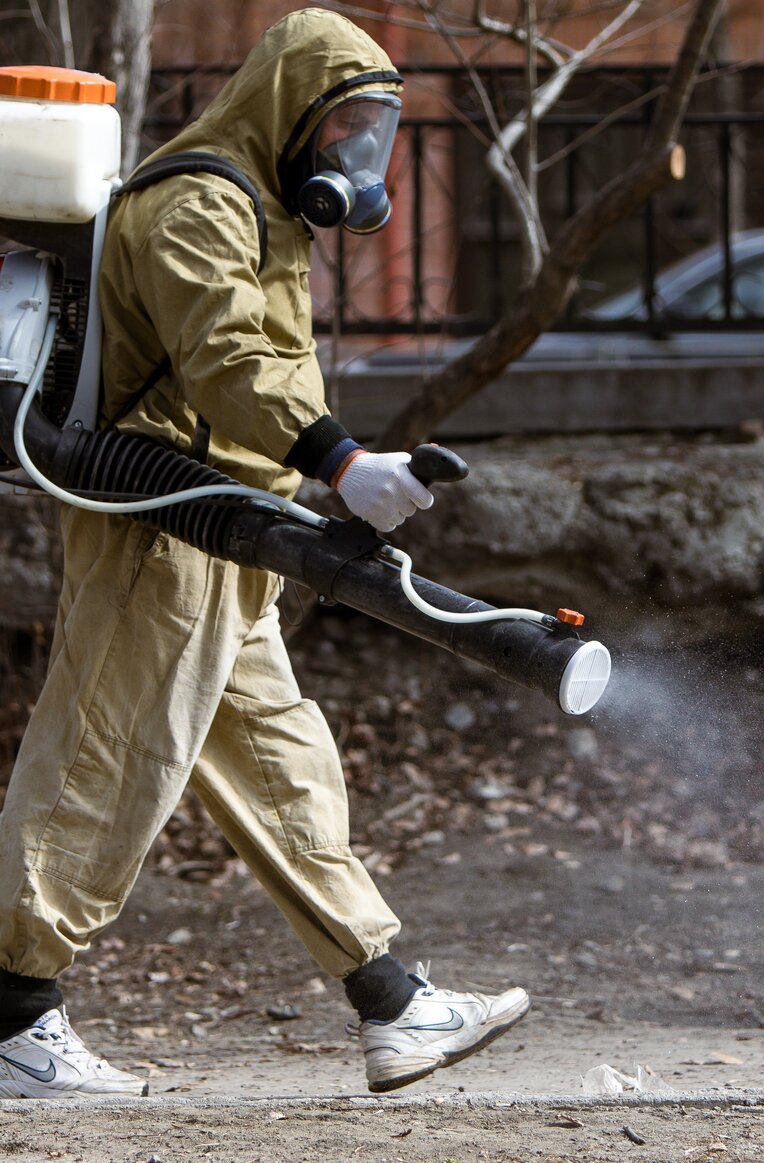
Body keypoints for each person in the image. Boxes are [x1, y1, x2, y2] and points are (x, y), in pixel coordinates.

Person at [0, 8, 528, 1100]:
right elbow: (231, 355)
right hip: (160, 516)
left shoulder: (263, 203)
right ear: (290, 109)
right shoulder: (197, 198)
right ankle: (9, 1017)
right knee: (106, 756)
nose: (359, 159)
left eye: (374, 134)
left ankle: (392, 1001)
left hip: (224, 515)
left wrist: (301, 476)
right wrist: (338, 460)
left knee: (281, 757)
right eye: (346, 129)